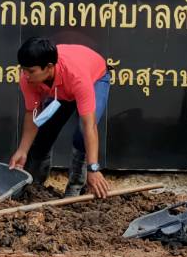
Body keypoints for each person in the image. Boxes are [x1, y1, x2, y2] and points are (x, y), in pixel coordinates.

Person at [7, 37, 111, 198]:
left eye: (31, 71)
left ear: (49, 67)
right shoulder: (28, 78)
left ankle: (75, 189)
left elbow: (89, 126)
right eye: (23, 69)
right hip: (61, 92)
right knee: (43, 132)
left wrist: (93, 168)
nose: (25, 75)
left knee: (81, 135)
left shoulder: (78, 77)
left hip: (95, 78)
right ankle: (34, 187)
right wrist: (22, 150)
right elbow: (32, 113)